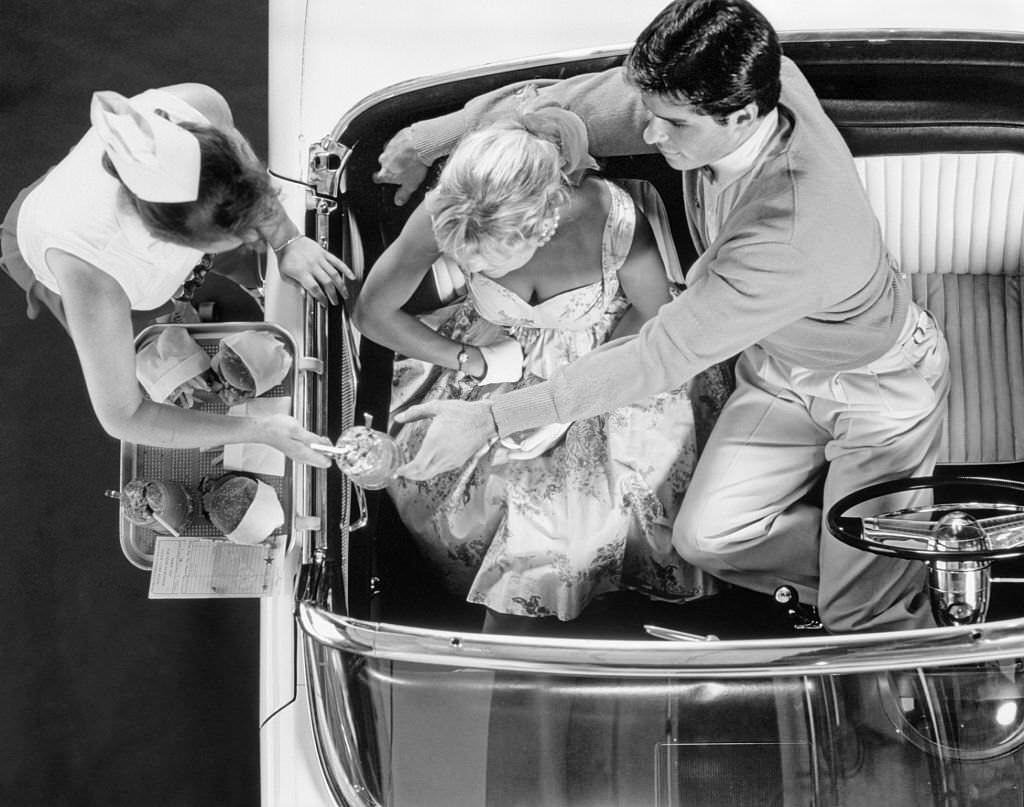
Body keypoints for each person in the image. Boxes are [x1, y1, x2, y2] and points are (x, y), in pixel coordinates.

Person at [373, 0, 951, 633]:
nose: (648, 136)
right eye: (650, 112)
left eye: (670, 124)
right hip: (774, 366)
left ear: (743, 115)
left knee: (862, 617)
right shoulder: (750, 82)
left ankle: (881, 593)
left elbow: (656, 356)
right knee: (704, 541)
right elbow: (558, 107)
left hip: (874, 386)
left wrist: (489, 417)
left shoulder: (792, 232)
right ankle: (888, 563)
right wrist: (428, 140)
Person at [354, 104, 725, 632]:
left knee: (570, 527)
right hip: (489, 353)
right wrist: (473, 360)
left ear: (542, 226)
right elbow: (371, 313)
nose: (471, 270)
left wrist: (568, 400)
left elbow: (652, 315)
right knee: (452, 482)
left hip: (605, 357)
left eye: (486, 262)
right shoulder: (454, 203)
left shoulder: (615, 220)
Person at [0, 84, 353, 466]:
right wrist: (261, 430)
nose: (256, 236)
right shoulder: (94, 282)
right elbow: (124, 416)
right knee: (156, 367)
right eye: (241, 234)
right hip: (58, 250)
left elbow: (244, 185)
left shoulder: (198, 105)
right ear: (171, 240)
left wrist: (287, 241)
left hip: (167, 223)